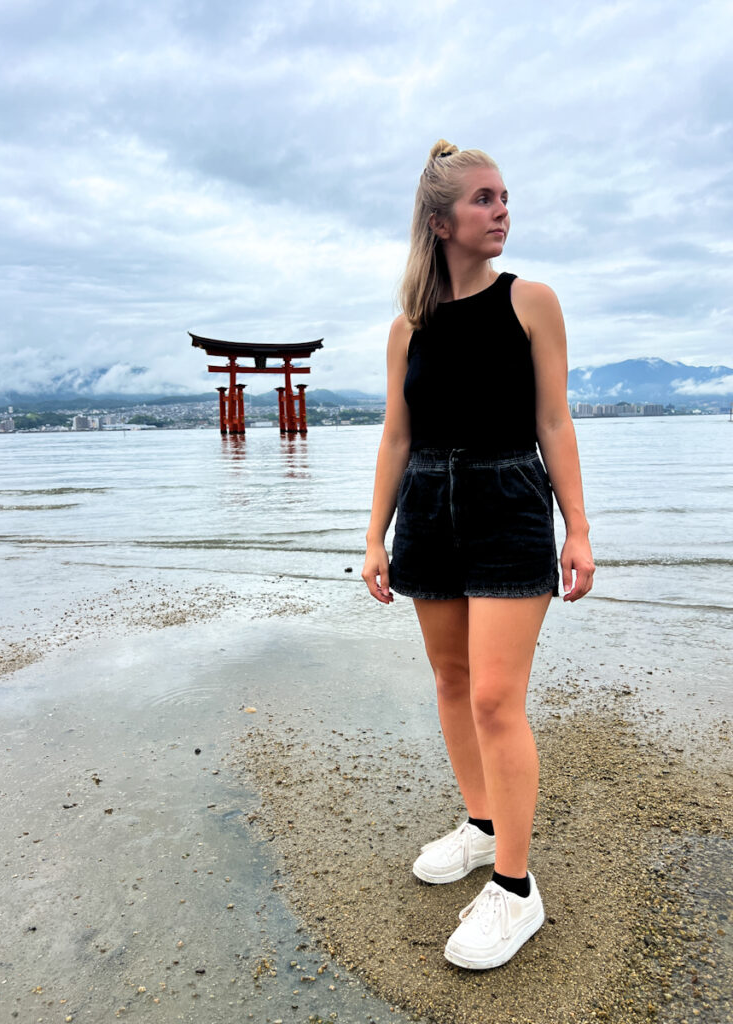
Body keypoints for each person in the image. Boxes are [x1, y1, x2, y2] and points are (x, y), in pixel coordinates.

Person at [361, 139, 595, 971]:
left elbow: (554, 422)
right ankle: (481, 822)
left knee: (498, 697)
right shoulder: (408, 328)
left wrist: (579, 527)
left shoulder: (531, 301)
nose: (502, 210)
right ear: (440, 222)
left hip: (507, 503)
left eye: (504, 197)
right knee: (452, 681)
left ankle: (515, 889)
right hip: (426, 506)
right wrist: (375, 535)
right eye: (484, 199)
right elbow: (396, 434)